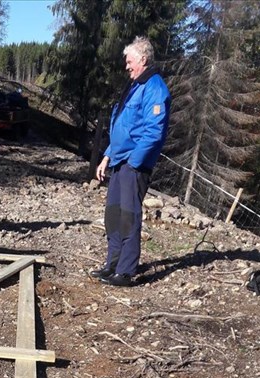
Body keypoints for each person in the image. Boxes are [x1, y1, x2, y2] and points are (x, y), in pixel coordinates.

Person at [92, 36, 171, 287]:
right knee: (113, 215)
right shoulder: (135, 86)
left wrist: (134, 162)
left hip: (133, 164)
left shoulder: (154, 87)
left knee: (128, 217)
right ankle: (112, 265)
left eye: (129, 61)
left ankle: (125, 272)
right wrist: (107, 156)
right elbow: (122, 127)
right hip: (119, 161)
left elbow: (154, 132)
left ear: (143, 59)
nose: (126, 66)